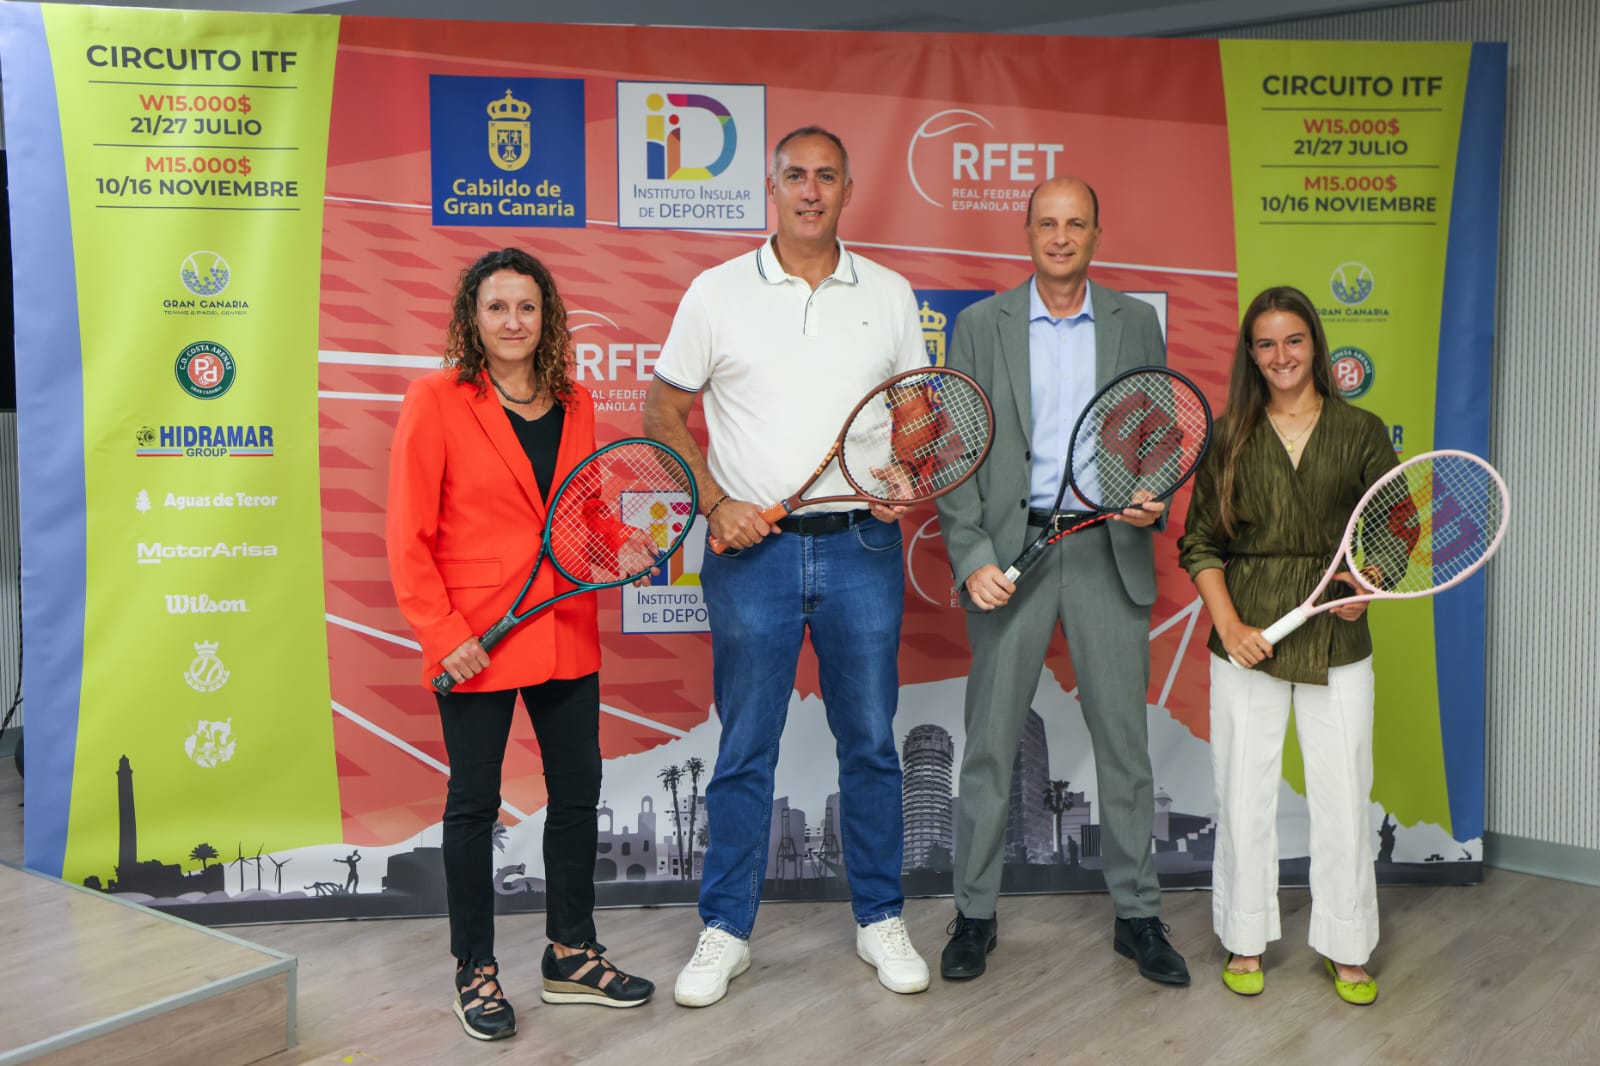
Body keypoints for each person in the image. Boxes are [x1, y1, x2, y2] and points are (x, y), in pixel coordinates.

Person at [642, 126, 930, 1007]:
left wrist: (905, 473)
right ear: (772, 187)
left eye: (827, 178)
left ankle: (879, 917)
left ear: (849, 190)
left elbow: (917, 415)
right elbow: (661, 412)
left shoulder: (888, 293)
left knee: (872, 747)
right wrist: (712, 501)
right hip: (751, 554)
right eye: (795, 176)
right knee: (744, 751)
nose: (810, 191)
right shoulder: (716, 292)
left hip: (865, 547)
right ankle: (725, 931)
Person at [387, 247, 655, 1041]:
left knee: (575, 797)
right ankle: (476, 969)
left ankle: (572, 952)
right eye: (497, 307)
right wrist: (445, 637)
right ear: (474, 317)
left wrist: (623, 547)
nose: (513, 322)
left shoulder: (574, 401)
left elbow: (581, 514)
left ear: (548, 318)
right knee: (473, 807)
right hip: (477, 641)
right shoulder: (434, 399)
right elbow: (409, 535)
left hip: (565, 633)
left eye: (527, 308)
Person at [933, 177, 1190, 987]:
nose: (1060, 235)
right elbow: (955, 447)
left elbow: (1156, 427)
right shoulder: (980, 326)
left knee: (1125, 746)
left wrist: (1154, 497)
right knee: (988, 748)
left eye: (1076, 223)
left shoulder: (1134, 322)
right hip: (1015, 552)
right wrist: (972, 557)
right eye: (1047, 222)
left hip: (1107, 548)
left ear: (1096, 234)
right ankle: (974, 914)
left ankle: (1138, 916)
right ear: (1027, 231)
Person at [1177, 285, 1394, 1004]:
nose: (1281, 356)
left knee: (1342, 795)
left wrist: (1371, 585)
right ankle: (1244, 935)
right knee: (1243, 793)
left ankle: (1347, 943)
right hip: (1248, 636)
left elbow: (1396, 529)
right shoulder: (1228, 434)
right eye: (1266, 343)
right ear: (1250, 354)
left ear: (1316, 346)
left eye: (1293, 340)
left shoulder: (1360, 430)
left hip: (1338, 633)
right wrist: (1231, 625)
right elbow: (1200, 540)